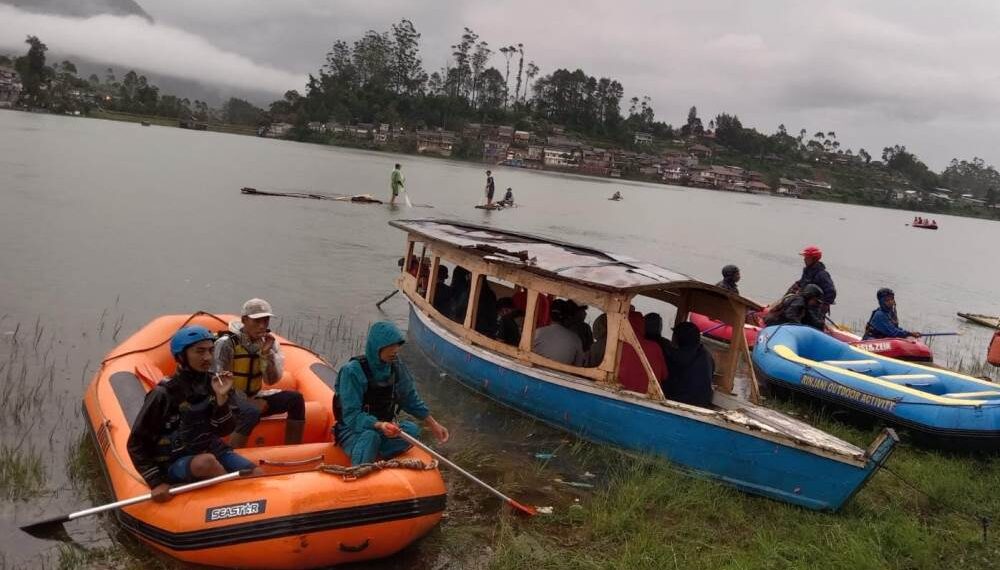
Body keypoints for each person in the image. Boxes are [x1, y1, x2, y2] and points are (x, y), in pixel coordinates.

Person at [127, 326, 259, 502]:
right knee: (207, 462)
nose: (207, 357)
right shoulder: (163, 394)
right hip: (173, 460)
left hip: (209, 447)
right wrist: (156, 482)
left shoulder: (217, 383)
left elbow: (224, 431)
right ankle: (236, 501)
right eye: (200, 352)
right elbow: (136, 443)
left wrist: (221, 399)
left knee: (257, 474)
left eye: (211, 351)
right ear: (181, 356)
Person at [333, 321, 449, 465]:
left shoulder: (396, 366)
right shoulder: (352, 372)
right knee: (371, 437)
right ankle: (360, 468)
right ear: (377, 347)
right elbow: (351, 415)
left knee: (412, 430)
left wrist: (433, 424)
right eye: (390, 346)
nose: (395, 350)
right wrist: (379, 425)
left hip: (384, 428)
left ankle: (376, 456)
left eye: (397, 345)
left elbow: (409, 398)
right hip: (354, 429)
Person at [215, 299, 305, 448]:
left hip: (253, 396)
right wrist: (247, 401)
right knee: (250, 412)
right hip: (227, 399)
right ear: (244, 320)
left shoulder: (268, 343)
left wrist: (266, 353)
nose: (262, 326)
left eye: (265, 321)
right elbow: (218, 381)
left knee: (296, 400)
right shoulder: (226, 343)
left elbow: (271, 380)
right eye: (257, 321)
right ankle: (231, 456)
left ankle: (292, 450)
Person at [662, 322, 715, 409]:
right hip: (702, 404)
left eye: (675, 336)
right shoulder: (707, 356)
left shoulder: (677, 356)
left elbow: (665, 377)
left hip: (678, 402)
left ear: (680, 338)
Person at [617, 311, 667, 393]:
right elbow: (664, 375)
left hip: (618, 394)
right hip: (647, 399)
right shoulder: (655, 347)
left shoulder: (618, 345)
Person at [532, 299, 586, 366]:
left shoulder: (538, 332)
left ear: (549, 315)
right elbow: (578, 365)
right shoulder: (575, 339)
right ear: (568, 317)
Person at [791, 246, 836, 316]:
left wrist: (822, 304)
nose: (804, 259)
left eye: (807, 257)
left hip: (814, 308)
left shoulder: (822, 274)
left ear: (814, 259)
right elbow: (803, 282)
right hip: (802, 302)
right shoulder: (808, 271)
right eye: (805, 257)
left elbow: (831, 291)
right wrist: (796, 286)